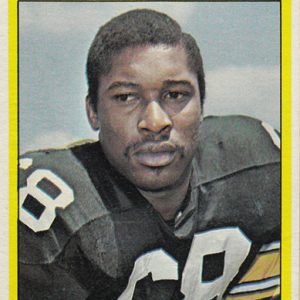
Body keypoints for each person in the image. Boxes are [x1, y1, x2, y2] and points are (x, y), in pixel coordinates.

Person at [18, 9, 280, 300]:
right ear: (93, 111)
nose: (155, 122)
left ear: (202, 105)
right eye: (126, 97)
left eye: (176, 95)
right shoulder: (53, 219)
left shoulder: (265, 167)